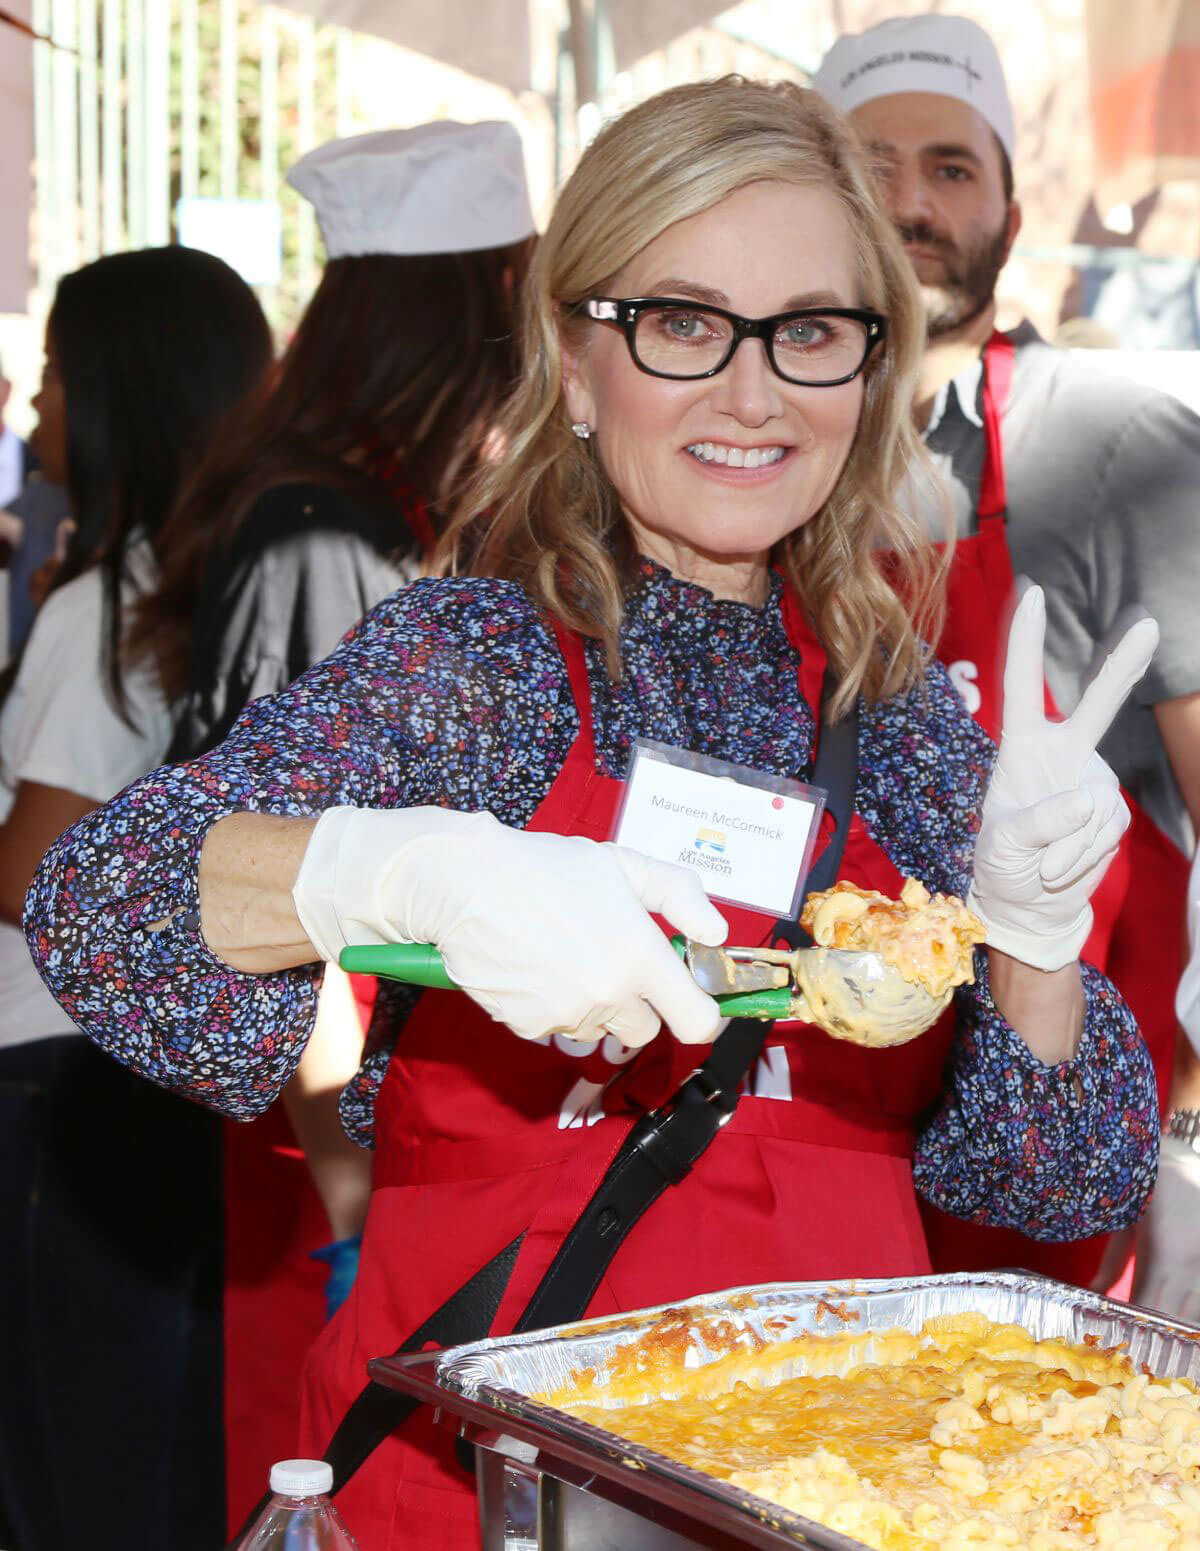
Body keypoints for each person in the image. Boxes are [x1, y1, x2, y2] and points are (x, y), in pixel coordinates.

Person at [27, 78, 1160, 1550]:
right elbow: (100, 903)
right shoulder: (481, 667)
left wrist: (1033, 938)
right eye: (682, 322)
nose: (752, 393)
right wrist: (393, 869)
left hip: (835, 1473)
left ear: (868, 373)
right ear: (574, 364)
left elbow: (1055, 1176)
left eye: (811, 331)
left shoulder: (906, 724)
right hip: (483, 1476)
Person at [124, 118, 537, 1527]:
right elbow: (286, 880)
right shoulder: (321, 533)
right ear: (474, 313)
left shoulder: (353, 509)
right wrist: (353, 1182)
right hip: (321, 1123)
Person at [814, 12, 1199, 1293]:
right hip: (815, 1150)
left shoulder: (1110, 449)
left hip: (1067, 1166)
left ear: (1013, 221)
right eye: (872, 169)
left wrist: (1193, 1135)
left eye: (951, 168)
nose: (912, 203)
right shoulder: (752, 457)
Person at [0, 247, 272, 1551]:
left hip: (49, 1073)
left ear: (117, 388)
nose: (36, 402)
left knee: (66, 1476)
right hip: (156, 1065)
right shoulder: (222, 587)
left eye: (54, 371)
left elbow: (29, 871)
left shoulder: (97, 608)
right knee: (158, 1459)